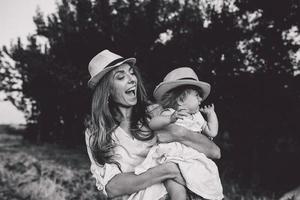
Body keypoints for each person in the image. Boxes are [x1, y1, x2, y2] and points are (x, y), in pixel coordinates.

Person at [85, 50, 221, 200]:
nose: (132, 79)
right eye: (121, 77)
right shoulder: (96, 133)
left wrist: (179, 133)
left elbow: (214, 152)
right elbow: (113, 187)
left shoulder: (155, 114)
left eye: (132, 73)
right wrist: (169, 170)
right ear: (107, 90)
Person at [135, 67, 223, 200]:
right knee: (176, 189)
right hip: (172, 156)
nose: (201, 99)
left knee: (207, 177)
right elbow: (153, 124)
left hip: (193, 157)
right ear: (181, 100)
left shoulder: (198, 116)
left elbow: (212, 132)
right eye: (196, 95)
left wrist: (212, 115)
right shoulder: (170, 113)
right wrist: (170, 119)